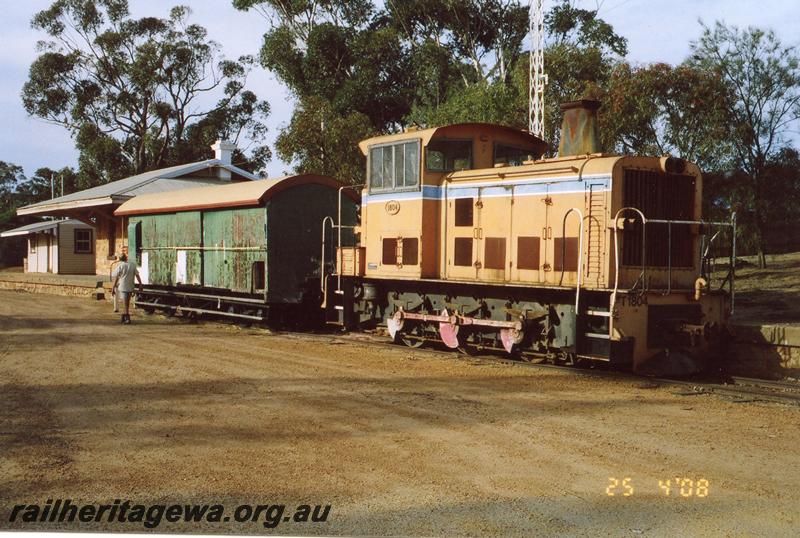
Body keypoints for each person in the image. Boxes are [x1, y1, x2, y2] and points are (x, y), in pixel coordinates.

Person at [111, 253, 143, 324]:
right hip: (130, 286)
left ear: (120, 259)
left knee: (125, 303)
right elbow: (137, 275)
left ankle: (127, 318)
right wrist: (140, 284)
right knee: (127, 303)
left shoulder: (120, 266)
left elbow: (116, 277)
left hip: (123, 286)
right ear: (126, 258)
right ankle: (124, 316)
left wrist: (113, 287)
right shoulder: (132, 265)